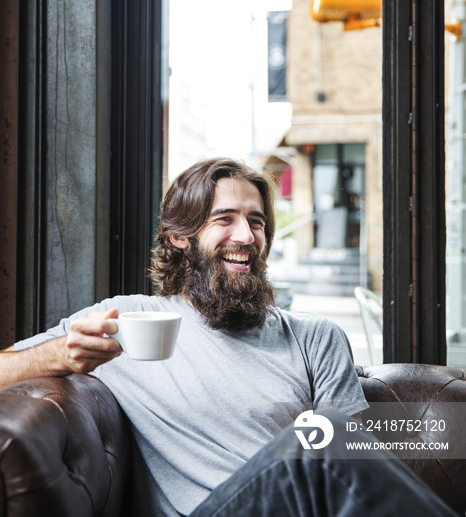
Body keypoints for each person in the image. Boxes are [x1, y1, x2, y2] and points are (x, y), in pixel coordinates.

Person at [0, 158, 456, 517]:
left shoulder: (316, 337)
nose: (246, 235)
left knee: (329, 438)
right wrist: (61, 354)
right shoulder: (129, 319)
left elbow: (355, 470)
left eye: (257, 222)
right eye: (225, 219)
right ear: (180, 237)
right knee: (322, 437)